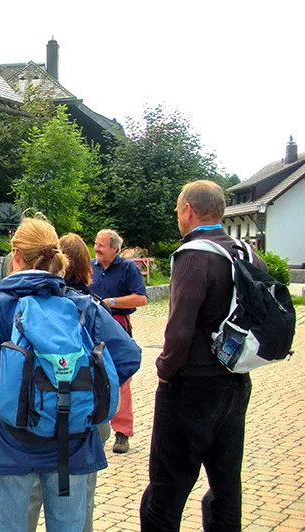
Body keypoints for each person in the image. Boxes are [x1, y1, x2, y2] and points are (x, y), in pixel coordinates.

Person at [0, 218, 141, 532]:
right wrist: (92, 390)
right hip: (72, 444)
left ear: (16, 256)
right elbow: (128, 356)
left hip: (11, 441)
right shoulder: (82, 305)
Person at [140, 181, 264, 531]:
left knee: (165, 491)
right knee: (226, 486)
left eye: (178, 209)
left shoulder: (195, 254)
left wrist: (164, 369)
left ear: (189, 210)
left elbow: (179, 330)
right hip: (235, 382)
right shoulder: (246, 252)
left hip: (191, 387)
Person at [59, 233, 110, 532]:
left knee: (34, 491)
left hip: (41, 410)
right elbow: (127, 358)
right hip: (86, 414)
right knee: (82, 494)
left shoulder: (36, 300)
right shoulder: (92, 306)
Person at [89, 229, 147, 454]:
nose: (96, 249)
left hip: (117, 327)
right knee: (92, 375)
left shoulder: (128, 268)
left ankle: (122, 433)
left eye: (101, 245)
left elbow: (141, 298)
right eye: (95, 244)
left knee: (121, 379)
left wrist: (109, 302)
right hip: (92, 327)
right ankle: (93, 427)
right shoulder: (91, 267)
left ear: (115, 249)